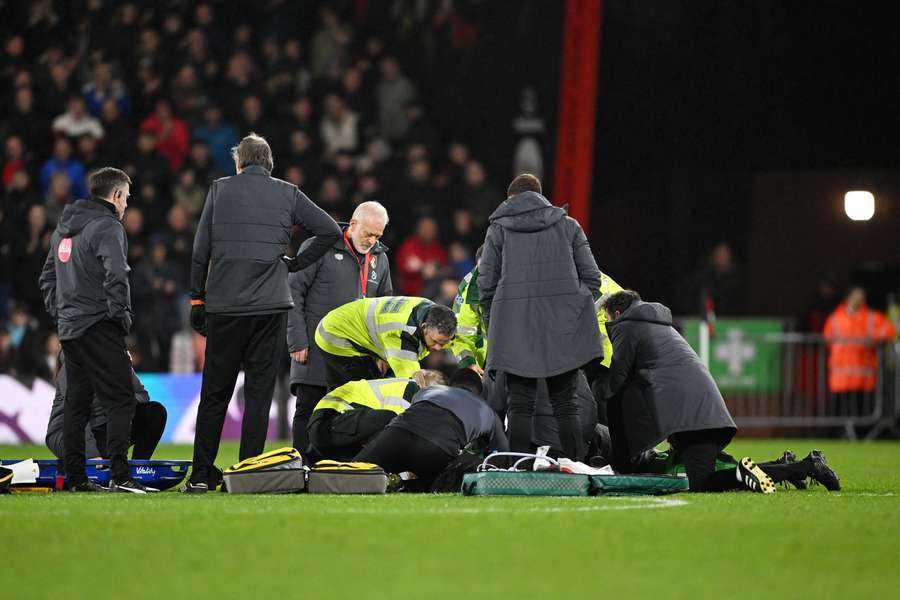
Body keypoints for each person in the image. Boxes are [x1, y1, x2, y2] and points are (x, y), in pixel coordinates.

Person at [184, 134, 341, 493]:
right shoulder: (288, 193)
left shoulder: (220, 190)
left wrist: (197, 299)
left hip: (225, 307)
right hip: (271, 307)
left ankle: (201, 476)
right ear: (269, 164)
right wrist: (296, 262)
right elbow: (330, 230)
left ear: (239, 163)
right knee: (258, 394)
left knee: (214, 393)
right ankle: (247, 475)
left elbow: (199, 250)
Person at [38, 167, 153, 493]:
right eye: (126, 198)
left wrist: (63, 315)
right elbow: (117, 275)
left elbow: (46, 279)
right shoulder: (108, 227)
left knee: (76, 405)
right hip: (99, 326)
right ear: (115, 195)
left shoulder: (63, 231)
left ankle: (76, 479)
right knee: (121, 400)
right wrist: (120, 318)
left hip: (71, 331)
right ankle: (121, 476)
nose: (126, 206)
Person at [478, 173, 603, 460]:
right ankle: (576, 468)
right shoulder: (569, 226)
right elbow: (592, 279)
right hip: (562, 330)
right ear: (541, 196)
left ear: (511, 199)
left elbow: (485, 284)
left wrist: (496, 321)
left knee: (520, 406)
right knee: (566, 405)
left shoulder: (498, 230)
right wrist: (570, 311)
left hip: (515, 329)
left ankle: (519, 469)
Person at [603, 290, 775, 493]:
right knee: (704, 477)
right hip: (703, 409)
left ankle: (741, 474)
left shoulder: (627, 326)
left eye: (607, 319)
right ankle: (793, 468)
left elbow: (617, 378)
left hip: (692, 416)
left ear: (617, 314)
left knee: (701, 483)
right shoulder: (660, 325)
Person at [288, 201, 393, 454]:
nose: (372, 240)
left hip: (357, 356)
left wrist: (382, 351)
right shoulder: (318, 246)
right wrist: (297, 339)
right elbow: (292, 292)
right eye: (368, 233)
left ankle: (337, 468)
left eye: (378, 235)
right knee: (309, 407)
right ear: (353, 224)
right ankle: (301, 465)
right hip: (315, 348)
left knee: (348, 412)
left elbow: (385, 309)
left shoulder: (380, 258)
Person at [355, 369, 509, 491]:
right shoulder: (488, 412)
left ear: (451, 385)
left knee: (353, 474)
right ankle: (405, 487)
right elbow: (503, 453)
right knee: (449, 479)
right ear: (478, 392)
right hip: (436, 449)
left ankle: (390, 482)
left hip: (396, 435)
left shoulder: (430, 391)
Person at [46, 351, 167, 461]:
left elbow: (142, 396)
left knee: (155, 412)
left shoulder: (118, 359)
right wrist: (92, 454)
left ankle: (138, 468)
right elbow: (77, 414)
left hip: (103, 428)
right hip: (67, 432)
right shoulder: (72, 367)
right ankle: (89, 460)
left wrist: (121, 401)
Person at [314, 296, 457, 389]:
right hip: (336, 333)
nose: (438, 348)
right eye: (435, 341)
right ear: (424, 327)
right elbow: (411, 385)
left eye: (444, 343)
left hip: (350, 321)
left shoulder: (429, 310)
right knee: (364, 392)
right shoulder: (401, 335)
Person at [307, 370, 445, 461]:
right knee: (393, 424)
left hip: (329, 428)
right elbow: (397, 434)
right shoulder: (411, 390)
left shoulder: (401, 386)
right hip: (331, 423)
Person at [823, 286, 896, 416]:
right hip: (841, 375)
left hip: (863, 375)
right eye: (856, 295)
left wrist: (874, 338)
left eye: (862, 296)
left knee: (862, 409)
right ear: (848, 298)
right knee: (840, 409)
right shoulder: (835, 318)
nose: (859, 299)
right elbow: (827, 338)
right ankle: (842, 433)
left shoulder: (871, 317)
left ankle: (860, 433)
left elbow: (889, 330)